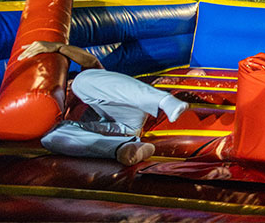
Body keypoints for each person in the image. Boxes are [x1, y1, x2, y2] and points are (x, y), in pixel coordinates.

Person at [16, 40, 189, 166]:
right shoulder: (53, 107)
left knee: (82, 81)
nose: (67, 90)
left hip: (126, 113)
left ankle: (164, 101)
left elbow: (91, 62)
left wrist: (59, 47)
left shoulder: (85, 84)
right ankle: (123, 149)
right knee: (49, 138)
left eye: (66, 86)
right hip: (116, 131)